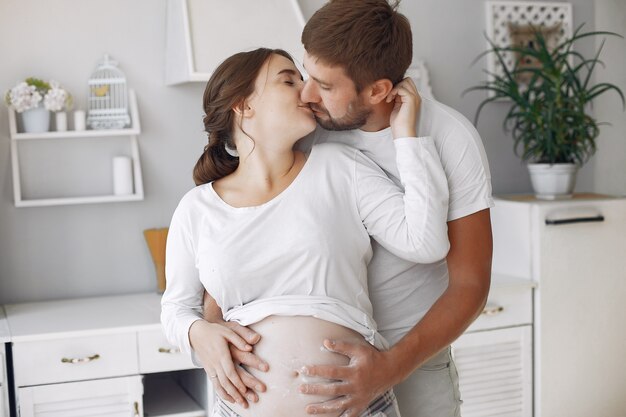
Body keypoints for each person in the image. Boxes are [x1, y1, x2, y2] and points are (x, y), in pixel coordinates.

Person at [203, 1, 494, 416]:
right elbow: (247, 224)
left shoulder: (451, 139)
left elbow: (470, 285)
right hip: (319, 370)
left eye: (323, 84)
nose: (305, 94)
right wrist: (207, 327)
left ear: (377, 90)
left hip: (413, 361)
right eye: (304, 75)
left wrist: (389, 368)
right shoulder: (308, 131)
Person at [161, 47, 451, 417]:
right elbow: (176, 308)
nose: (306, 91)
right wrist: (197, 333)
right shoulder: (197, 208)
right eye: (289, 80)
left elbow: (425, 242)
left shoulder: (341, 168)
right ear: (243, 105)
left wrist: (406, 135)